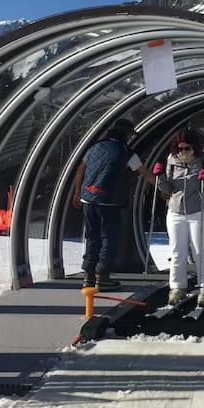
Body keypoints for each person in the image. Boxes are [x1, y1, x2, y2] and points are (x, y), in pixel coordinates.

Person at [73, 118, 154, 290]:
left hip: (88, 198)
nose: (130, 138)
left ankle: (88, 275)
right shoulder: (127, 153)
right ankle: (103, 275)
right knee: (109, 237)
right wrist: (165, 188)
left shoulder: (95, 147)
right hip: (109, 201)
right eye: (130, 135)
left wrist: (77, 192)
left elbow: (80, 169)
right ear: (125, 135)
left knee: (92, 236)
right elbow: (146, 175)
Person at [156, 129, 204, 306]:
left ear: (195, 147)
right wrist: (160, 177)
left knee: (200, 250)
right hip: (176, 211)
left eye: (186, 148)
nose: (182, 151)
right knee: (177, 252)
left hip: (199, 210)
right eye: (179, 148)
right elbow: (167, 190)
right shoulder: (172, 159)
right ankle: (177, 286)